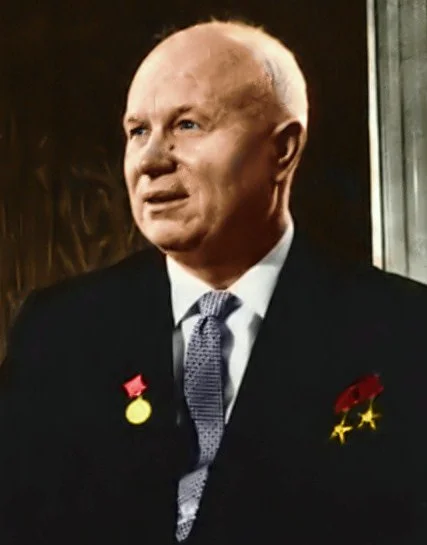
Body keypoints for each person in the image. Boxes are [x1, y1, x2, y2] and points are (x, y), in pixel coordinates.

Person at [1, 18, 427, 545]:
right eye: (137, 132)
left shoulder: (405, 330)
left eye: (187, 125)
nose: (150, 161)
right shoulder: (58, 330)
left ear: (282, 150)